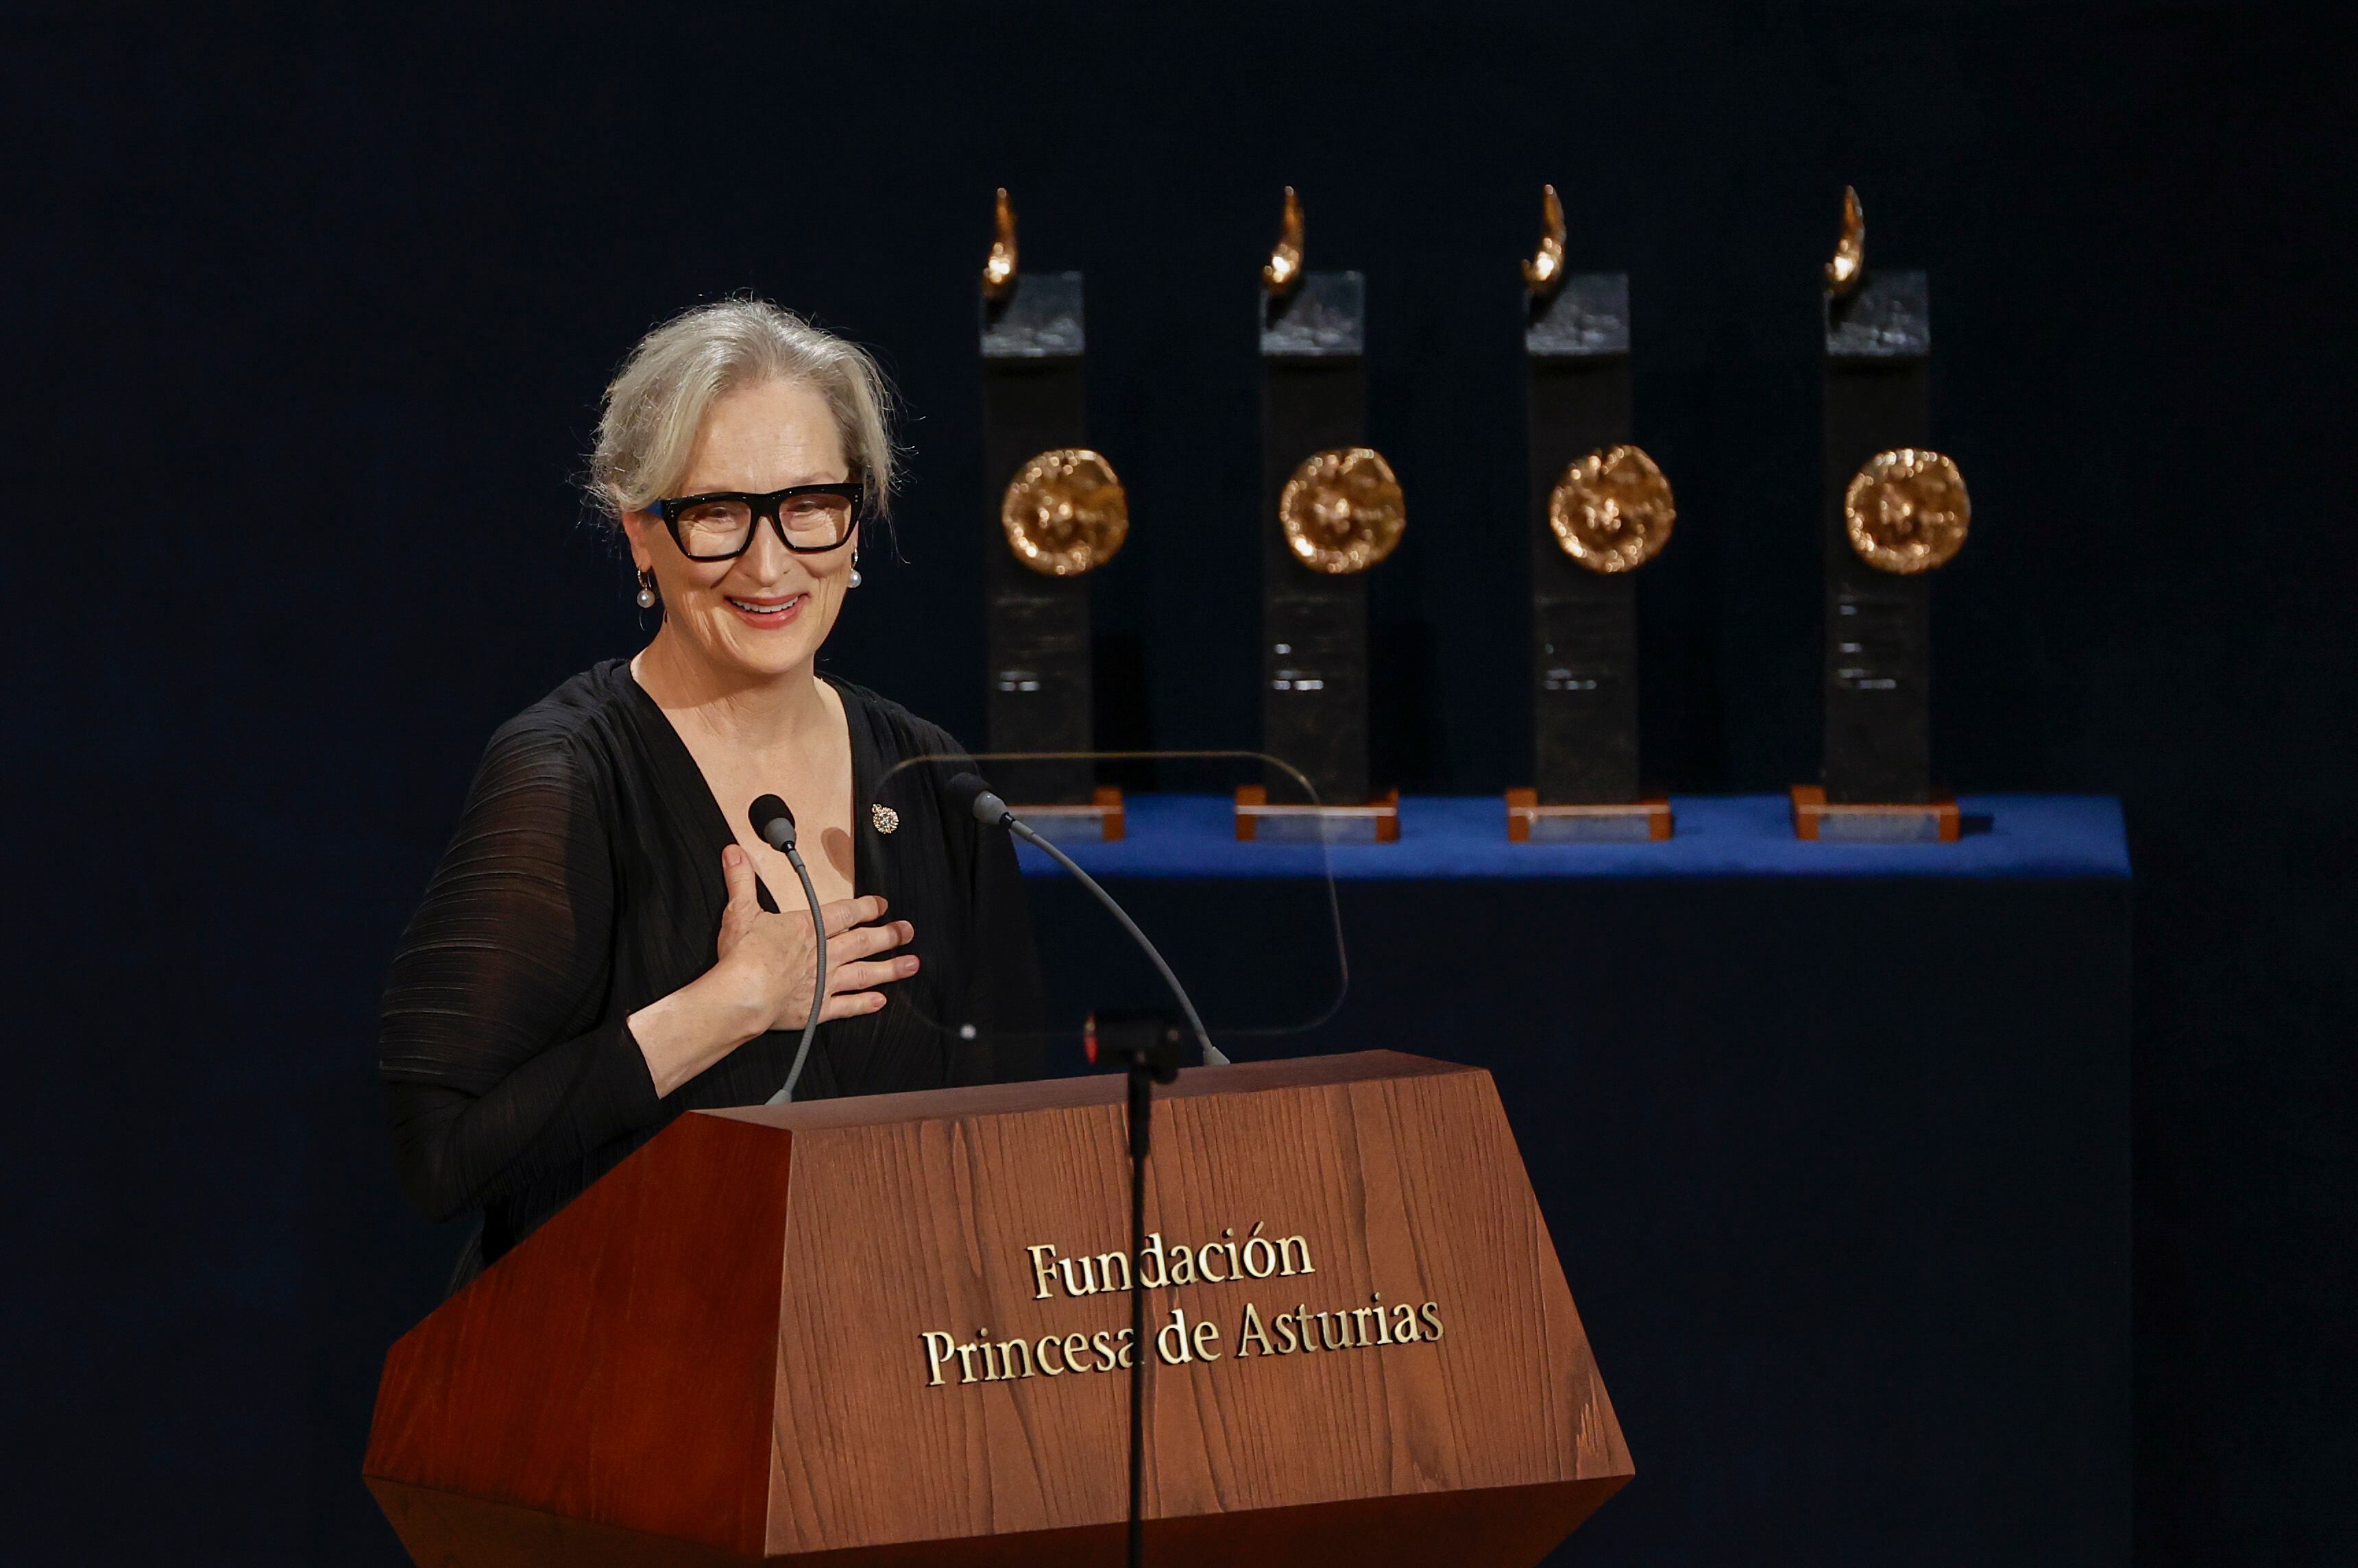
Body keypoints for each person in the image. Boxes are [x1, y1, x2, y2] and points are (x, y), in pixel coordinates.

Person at [378, 299, 1042, 1281]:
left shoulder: (937, 784)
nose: (770, 563)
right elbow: (442, 1154)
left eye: (810, 504)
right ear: (640, 532)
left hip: (887, 1380)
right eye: (718, 514)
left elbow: (1017, 1142)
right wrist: (728, 1004)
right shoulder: (568, 775)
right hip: (620, 1386)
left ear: (858, 519)